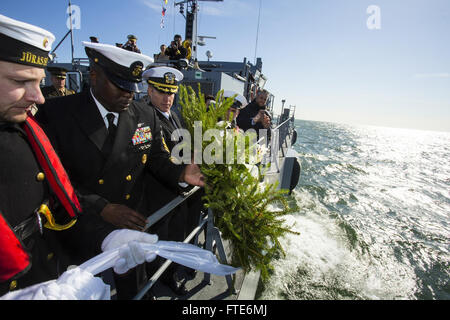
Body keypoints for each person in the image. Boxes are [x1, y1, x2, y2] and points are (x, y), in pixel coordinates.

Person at [0, 14, 159, 299]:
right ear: (94, 77)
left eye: (38, 82)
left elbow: (52, 203)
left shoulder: (23, 135)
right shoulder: (53, 118)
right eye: (20, 80)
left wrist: (107, 237)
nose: (39, 97)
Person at [36, 42, 204, 299]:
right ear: (94, 75)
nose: (128, 94)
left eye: (132, 87)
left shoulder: (144, 115)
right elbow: (53, 178)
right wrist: (102, 207)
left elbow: (156, 158)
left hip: (130, 224)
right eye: (120, 85)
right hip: (80, 224)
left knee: (134, 289)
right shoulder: (56, 114)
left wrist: (181, 174)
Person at [141, 66, 202, 295]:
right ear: (149, 90)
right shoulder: (145, 117)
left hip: (177, 193)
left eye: (171, 93)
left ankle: (171, 273)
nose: (168, 98)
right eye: (162, 92)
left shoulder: (173, 116)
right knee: (158, 243)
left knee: (176, 236)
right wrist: (184, 176)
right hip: (158, 194)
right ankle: (156, 283)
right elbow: (157, 159)